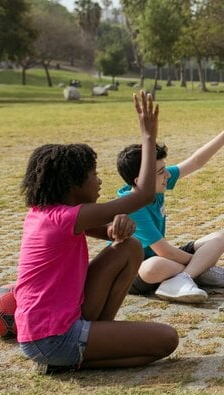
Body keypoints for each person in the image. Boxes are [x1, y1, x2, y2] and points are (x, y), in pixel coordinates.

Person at [14, 93, 178, 375]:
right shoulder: (67, 216)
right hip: (53, 336)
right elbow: (144, 195)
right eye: (93, 174)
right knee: (166, 340)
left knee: (129, 248)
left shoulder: (45, 214)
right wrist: (148, 137)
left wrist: (120, 228)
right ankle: (70, 361)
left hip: (48, 330)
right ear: (72, 184)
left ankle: (90, 341)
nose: (99, 180)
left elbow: (113, 234)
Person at [116, 101, 224, 303]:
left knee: (217, 239)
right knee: (154, 265)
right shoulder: (132, 205)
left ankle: (184, 278)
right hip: (138, 271)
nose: (167, 175)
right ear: (140, 180)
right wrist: (204, 263)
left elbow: (196, 162)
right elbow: (163, 251)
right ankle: (196, 273)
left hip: (167, 260)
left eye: (164, 168)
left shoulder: (155, 183)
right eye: (160, 171)